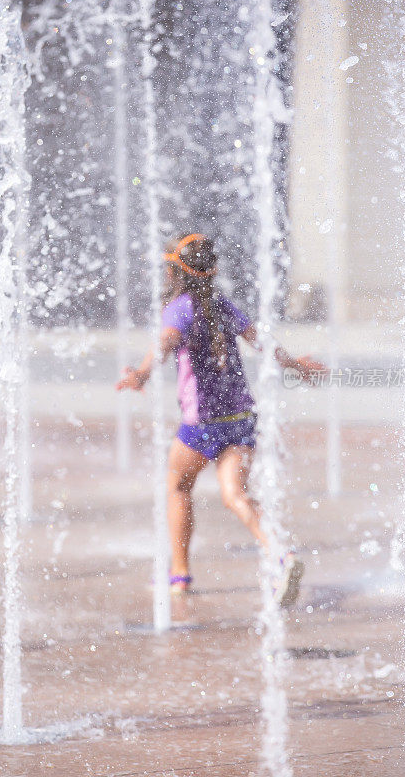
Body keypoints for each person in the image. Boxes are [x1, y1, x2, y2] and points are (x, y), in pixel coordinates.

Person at [116, 233, 322, 605]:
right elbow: (260, 340)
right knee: (237, 496)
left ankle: (179, 575)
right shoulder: (223, 306)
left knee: (178, 486)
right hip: (242, 418)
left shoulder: (179, 307)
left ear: (176, 273)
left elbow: (164, 342)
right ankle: (282, 554)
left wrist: (142, 375)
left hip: (202, 423)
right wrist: (294, 364)